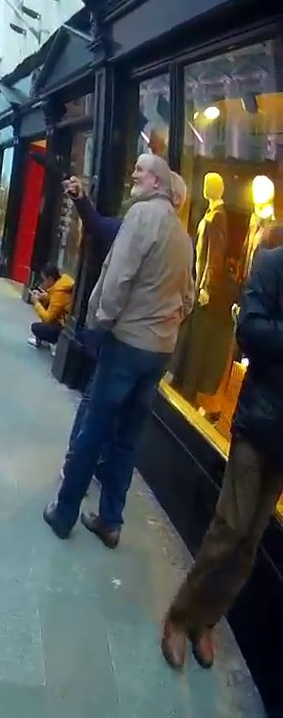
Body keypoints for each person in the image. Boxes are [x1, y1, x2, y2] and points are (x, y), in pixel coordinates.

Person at [42, 153, 195, 548]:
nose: (133, 175)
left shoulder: (142, 217)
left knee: (95, 427)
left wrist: (100, 325)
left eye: (139, 170)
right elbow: (189, 299)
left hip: (126, 343)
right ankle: (110, 521)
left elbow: (117, 278)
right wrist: (163, 325)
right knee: (127, 439)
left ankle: (64, 512)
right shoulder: (183, 236)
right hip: (159, 351)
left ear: (157, 183)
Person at [161, 226, 283, 671]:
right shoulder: (272, 265)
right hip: (260, 421)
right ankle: (179, 617)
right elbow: (249, 329)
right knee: (230, 526)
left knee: (251, 541)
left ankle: (207, 622)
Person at [28, 263, 75, 349]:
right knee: (44, 303)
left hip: (63, 327)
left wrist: (36, 303)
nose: (43, 283)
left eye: (44, 280)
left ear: (50, 279)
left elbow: (47, 317)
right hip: (64, 320)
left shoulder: (59, 293)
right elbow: (55, 299)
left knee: (35, 327)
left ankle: (52, 341)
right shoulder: (62, 282)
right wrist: (43, 296)